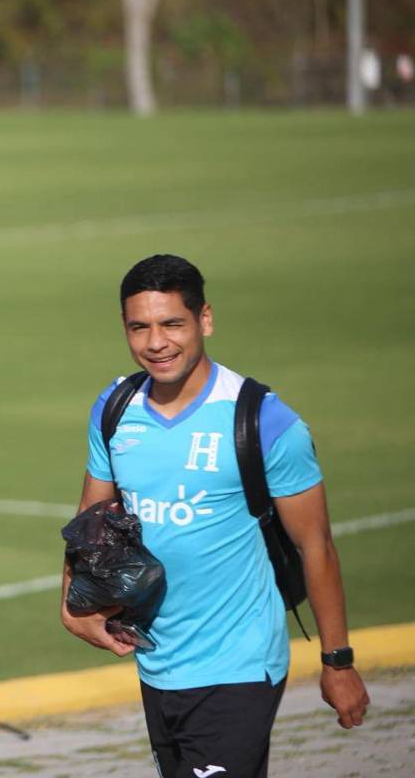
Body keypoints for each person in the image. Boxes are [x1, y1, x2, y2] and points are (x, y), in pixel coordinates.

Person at [61, 254, 370, 777]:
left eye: (172, 324)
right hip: (157, 662)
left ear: (205, 319)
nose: (156, 343)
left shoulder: (264, 419)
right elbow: (92, 520)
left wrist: (337, 662)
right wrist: (72, 603)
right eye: (140, 328)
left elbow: (314, 545)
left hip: (239, 664)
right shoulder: (113, 409)